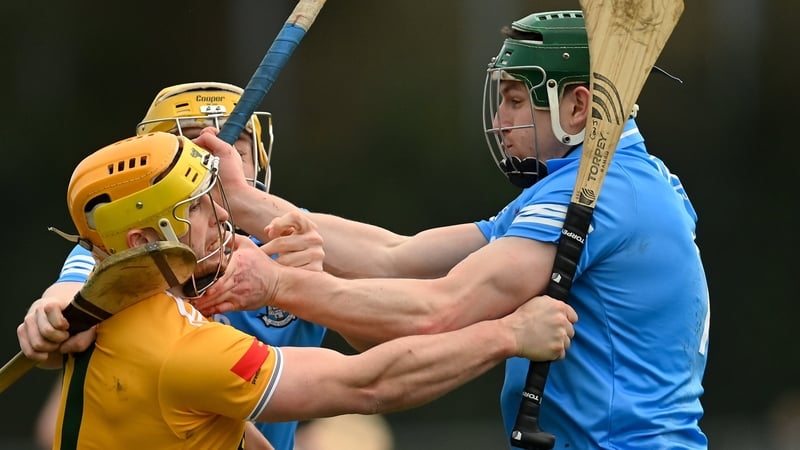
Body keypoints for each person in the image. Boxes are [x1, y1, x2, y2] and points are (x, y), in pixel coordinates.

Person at [190, 10, 710, 449]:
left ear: (577, 106)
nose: (502, 118)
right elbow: (397, 255)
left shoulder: (598, 198)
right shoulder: (598, 186)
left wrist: (280, 285)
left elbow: (439, 311)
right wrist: (245, 203)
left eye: (515, 99)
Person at [19, 130, 576, 448]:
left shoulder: (111, 301)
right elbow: (371, 383)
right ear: (143, 237)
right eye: (199, 209)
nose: (222, 218)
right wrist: (507, 334)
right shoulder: (180, 349)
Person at [24, 82, 325, 450]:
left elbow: (379, 320)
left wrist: (317, 289)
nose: (213, 162)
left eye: (235, 150)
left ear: (260, 161)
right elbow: (71, 295)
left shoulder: (296, 237)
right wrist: (51, 314)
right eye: (192, 147)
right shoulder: (128, 247)